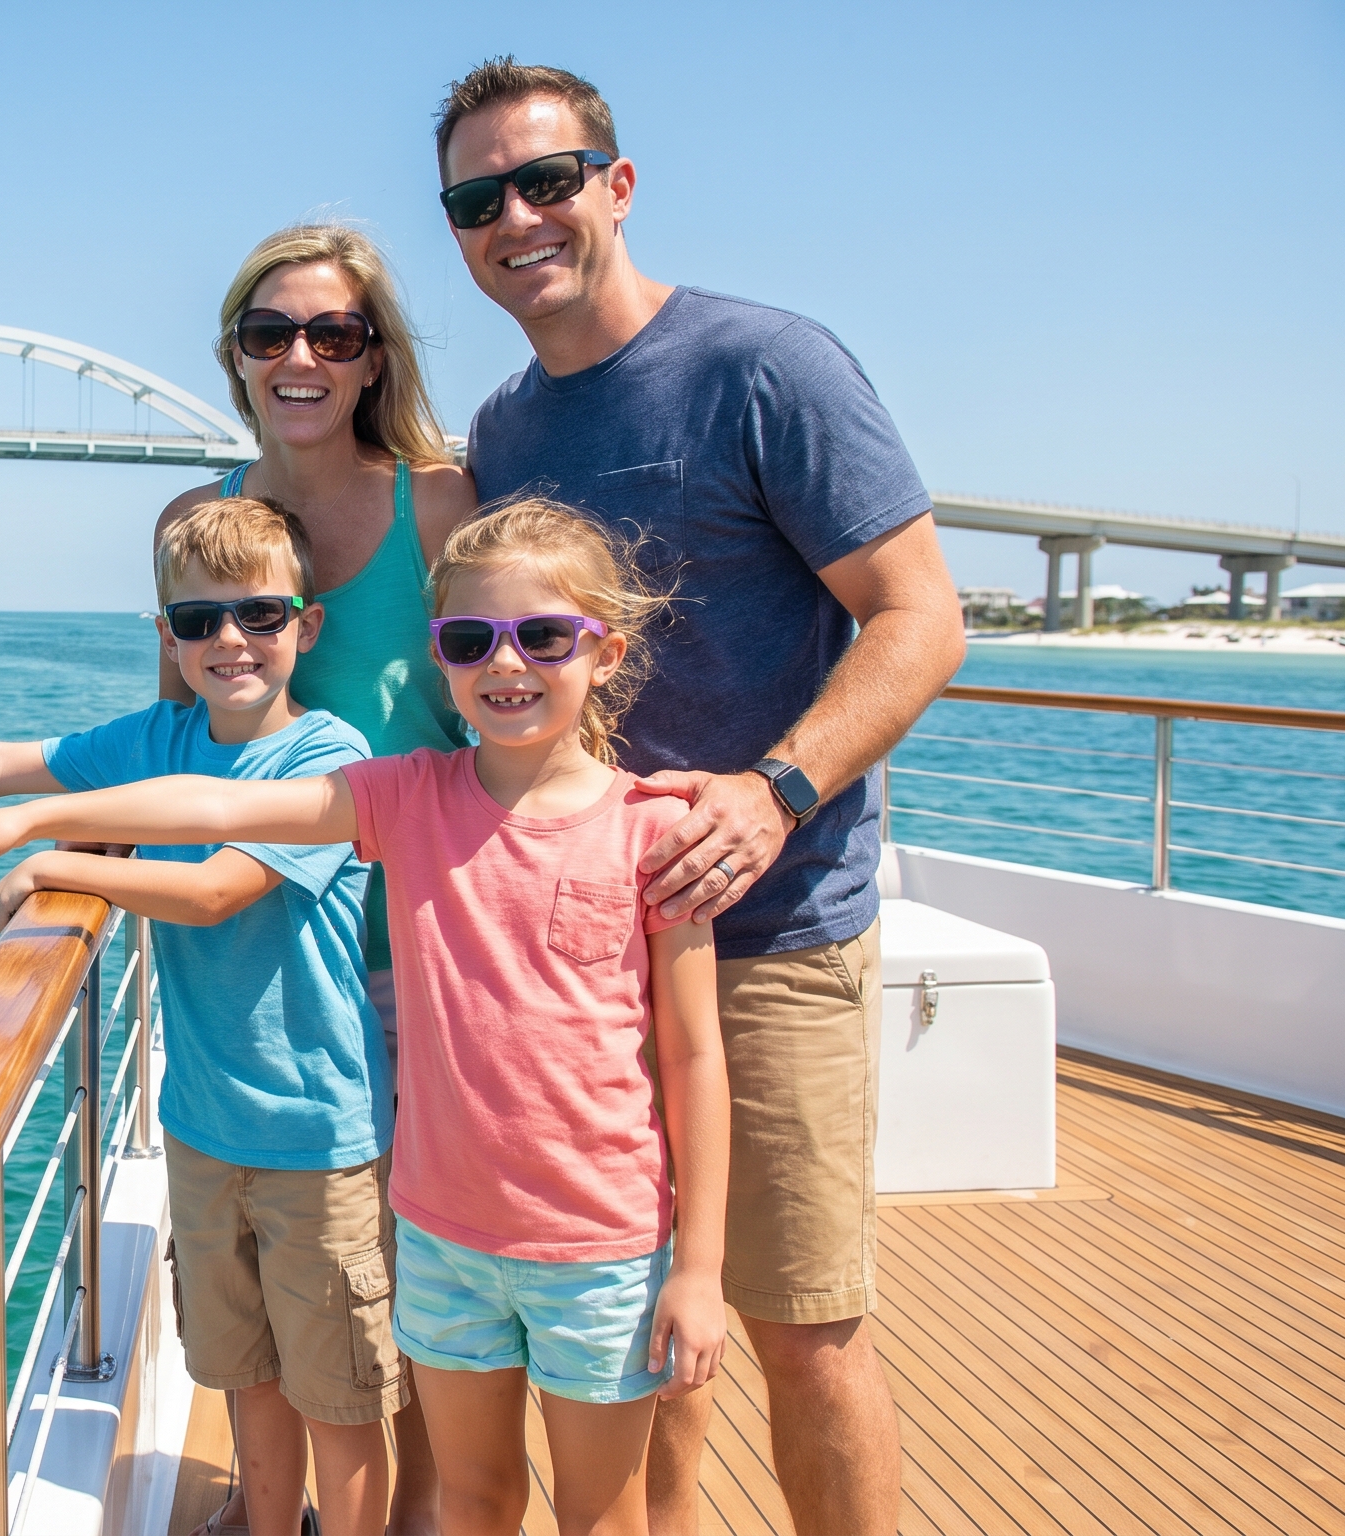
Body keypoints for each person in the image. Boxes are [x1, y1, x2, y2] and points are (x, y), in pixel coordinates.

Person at [0, 499, 733, 1536]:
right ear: (439, 657)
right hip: (441, 1232)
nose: (505, 664)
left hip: (600, 1246)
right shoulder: (403, 796)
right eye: (470, 640)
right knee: (475, 1497)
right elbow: (210, 806)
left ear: (604, 652)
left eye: (543, 636)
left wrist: (698, 1269)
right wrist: (37, 814)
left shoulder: (657, 833)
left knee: (603, 1515)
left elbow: (694, 1057)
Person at [433, 57, 967, 1534]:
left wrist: (776, 790)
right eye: (478, 199)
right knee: (648, 1325)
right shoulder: (506, 429)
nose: (515, 218)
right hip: (584, 959)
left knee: (803, 1331)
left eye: (546, 180)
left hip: (773, 930)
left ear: (617, 182)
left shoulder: (766, 368)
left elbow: (922, 616)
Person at [0, 499, 401, 1536]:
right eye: (198, 622)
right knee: (245, 1376)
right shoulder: (163, 737)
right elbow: (3, 761)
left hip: (314, 1142)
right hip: (200, 1125)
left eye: (259, 615)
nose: (229, 641)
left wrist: (52, 861)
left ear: (305, 626)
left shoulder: (327, 757)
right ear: (168, 640)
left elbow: (213, 891)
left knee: (341, 1401)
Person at [159, 220, 472, 1536]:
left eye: (332, 333)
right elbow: (172, 736)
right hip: (273, 970)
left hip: (421, 956)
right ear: (235, 357)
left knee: (396, 1278)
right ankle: (279, 1506)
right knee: (288, 1270)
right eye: (268, 331)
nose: (299, 355)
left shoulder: (439, 502)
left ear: (372, 358)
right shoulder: (208, 525)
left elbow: (503, 708)